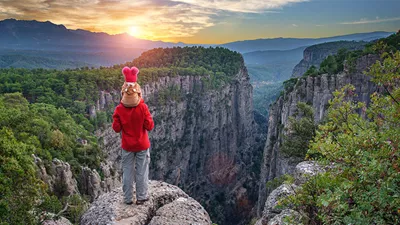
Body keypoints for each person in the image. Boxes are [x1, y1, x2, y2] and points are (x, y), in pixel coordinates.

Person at [112, 66, 154, 205]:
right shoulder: (143, 107)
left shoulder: (119, 109)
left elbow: (116, 128)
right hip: (142, 145)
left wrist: (119, 118)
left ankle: (128, 198)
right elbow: (150, 126)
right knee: (141, 171)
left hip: (127, 146)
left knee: (127, 172)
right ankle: (141, 197)